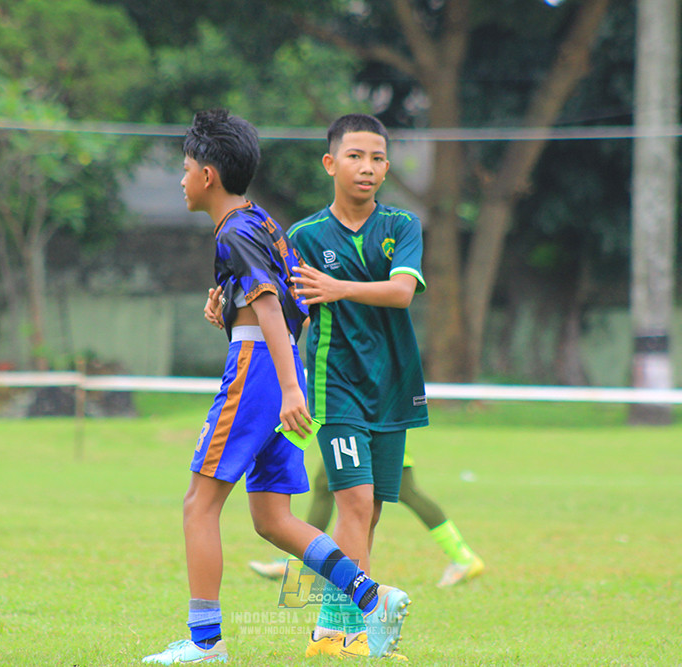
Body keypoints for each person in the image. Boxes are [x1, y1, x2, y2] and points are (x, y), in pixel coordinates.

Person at [140, 109, 410, 665]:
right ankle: (370, 597)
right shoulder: (261, 221)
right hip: (282, 375)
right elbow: (296, 307)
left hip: (262, 375)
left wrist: (284, 387)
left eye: (187, 168)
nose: (183, 179)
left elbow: (268, 306)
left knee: (199, 504)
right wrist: (234, 316)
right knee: (272, 519)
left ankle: (203, 642)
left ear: (209, 175)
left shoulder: (235, 232)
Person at [280, 113, 431, 659]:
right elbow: (283, 312)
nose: (366, 168)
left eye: (376, 159)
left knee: (373, 509)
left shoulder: (402, 226)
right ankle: (356, 627)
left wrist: (337, 287)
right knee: (356, 503)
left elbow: (401, 294)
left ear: (386, 168)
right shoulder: (302, 237)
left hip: (393, 385)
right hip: (334, 383)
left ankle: (332, 626)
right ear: (330, 163)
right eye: (354, 157)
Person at [249, 455, 485, 587]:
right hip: (369, 412)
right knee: (324, 482)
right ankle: (299, 562)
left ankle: (463, 557)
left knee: (406, 490)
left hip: (375, 415)